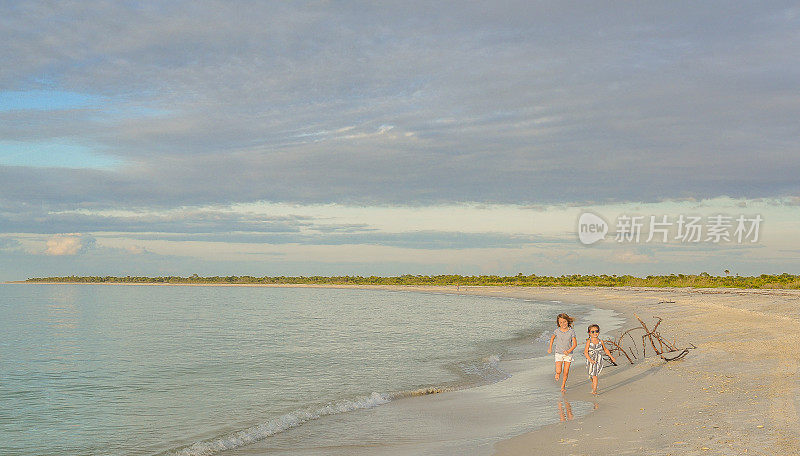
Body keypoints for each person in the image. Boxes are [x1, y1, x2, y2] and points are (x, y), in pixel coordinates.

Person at [547, 313, 577, 392]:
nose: (563, 324)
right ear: (558, 323)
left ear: (567, 321)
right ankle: (557, 373)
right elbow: (552, 339)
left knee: (566, 372)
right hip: (558, 353)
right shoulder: (557, 331)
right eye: (560, 322)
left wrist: (569, 351)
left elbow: (575, 344)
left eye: (564, 321)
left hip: (568, 354)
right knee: (558, 370)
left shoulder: (571, 331)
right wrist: (550, 348)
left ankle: (563, 386)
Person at [583, 324, 617, 395]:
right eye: (592, 332)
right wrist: (590, 360)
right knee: (591, 374)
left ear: (599, 332)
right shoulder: (589, 341)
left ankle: (594, 390)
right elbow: (585, 352)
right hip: (590, 360)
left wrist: (611, 357)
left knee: (595, 375)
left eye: (596, 331)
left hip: (598, 360)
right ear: (589, 333)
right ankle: (594, 384)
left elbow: (605, 350)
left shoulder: (600, 341)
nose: (595, 333)